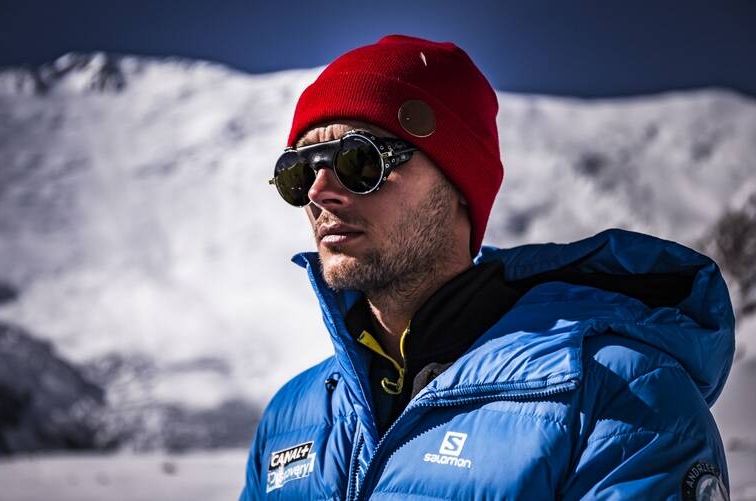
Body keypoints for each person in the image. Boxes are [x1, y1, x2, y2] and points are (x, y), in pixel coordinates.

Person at [240, 35, 734, 500]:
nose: (319, 192)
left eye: (359, 161)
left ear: (457, 183)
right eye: (299, 170)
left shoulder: (621, 394)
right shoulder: (291, 417)